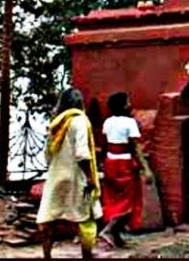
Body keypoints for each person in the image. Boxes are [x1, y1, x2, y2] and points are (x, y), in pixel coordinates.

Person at [36, 88, 102, 259]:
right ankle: (86, 256)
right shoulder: (80, 120)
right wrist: (90, 177)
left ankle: (47, 256)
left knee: (49, 219)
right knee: (84, 220)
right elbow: (82, 153)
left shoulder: (56, 123)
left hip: (56, 176)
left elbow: (47, 153)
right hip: (76, 176)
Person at [99, 92, 153, 249]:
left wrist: (102, 164)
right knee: (128, 202)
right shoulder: (130, 123)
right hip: (124, 164)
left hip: (110, 162)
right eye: (128, 102)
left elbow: (105, 145)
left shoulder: (107, 122)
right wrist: (146, 169)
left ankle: (116, 236)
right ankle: (108, 230)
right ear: (124, 106)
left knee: (114, 199)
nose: (131, 104)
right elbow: (135, 147)